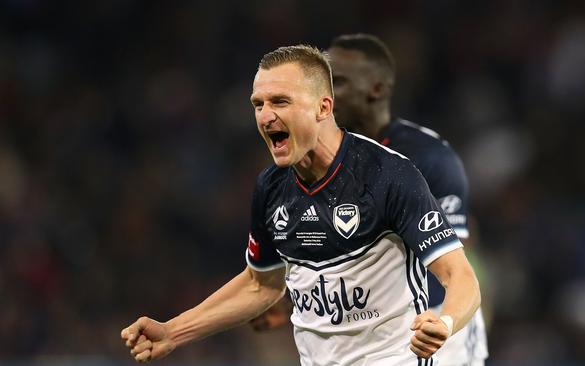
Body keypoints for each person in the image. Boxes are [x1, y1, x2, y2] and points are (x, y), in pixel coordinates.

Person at [121, 44, 481, 365]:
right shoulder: (271, 187)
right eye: (258, 104)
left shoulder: (389, 175)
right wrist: (173, 332)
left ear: (323, 107)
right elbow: (261, 285)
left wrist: (445, 322)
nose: (265, 116)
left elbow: (461, 277)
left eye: (280, 101)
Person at [251, 34, 489, 365]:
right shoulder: (317, 165)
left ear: (375, 89)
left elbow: (456, 262)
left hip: (435, 326)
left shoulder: (424, 159)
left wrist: (444, 323)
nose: (329, 90)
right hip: (373, 328)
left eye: (340, 82)